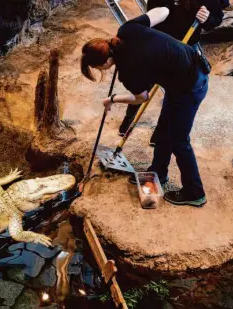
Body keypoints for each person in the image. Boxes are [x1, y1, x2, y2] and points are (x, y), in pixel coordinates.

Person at [80, 7, 208, 207]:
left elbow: (141, 98)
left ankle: (195, 192)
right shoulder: (127, 30)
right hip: (181, 76)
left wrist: (112, 99)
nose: (100, 71)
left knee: (179, 140)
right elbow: (163, 11)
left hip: (191, 86)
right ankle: (158, 173)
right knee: (164, 130)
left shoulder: (128, 72)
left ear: (105, 62)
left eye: (97, 68)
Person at [118, 0, 223, 147]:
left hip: (184, 49)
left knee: (173, 91)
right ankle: (129, 120)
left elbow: (217, 18)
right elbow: (153, 10)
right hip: (158, 42)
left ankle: (159, 133)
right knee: (143, 81)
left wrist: (207, 20)